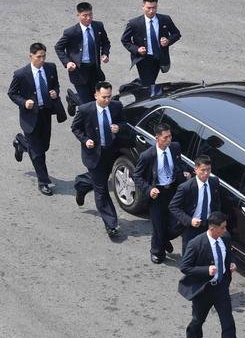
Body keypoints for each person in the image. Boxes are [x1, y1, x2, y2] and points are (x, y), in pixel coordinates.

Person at [8, 42, 66, 196]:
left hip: (45, 113)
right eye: (39, 57)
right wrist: (24, 102)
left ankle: (20, 142)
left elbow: (56, 85)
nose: (42, 59)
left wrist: (55, 92)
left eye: (44, 56)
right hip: (29, 116)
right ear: (31, 56)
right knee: (38, 153)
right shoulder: (21, 74)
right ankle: (43, 182)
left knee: (43, 147)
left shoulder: (50, 68)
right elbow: (12, 93)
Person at [178, 212, 238, 338]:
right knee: (198, 320)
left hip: (221, 288)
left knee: (228, 325)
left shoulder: (226, 238)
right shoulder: (196, 244)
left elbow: (230, 254)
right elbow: (185, 267)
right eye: (222, 228)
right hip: (204, 290)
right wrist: (206, 270)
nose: (225, 230)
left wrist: (232, 263)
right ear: (213, 228)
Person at [71, 81, 124, 238]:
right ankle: (111, 224)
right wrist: (85, 140)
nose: (107, 100)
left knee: (99, 180)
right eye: (104, 97)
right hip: (93, 154)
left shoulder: (116, 107)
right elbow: (75, 128)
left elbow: (123, 122)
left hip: (110, 152)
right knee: (101, 190)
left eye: (109, 97)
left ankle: (81, 185)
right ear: (96, 95)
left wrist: (119, 127)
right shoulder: (85, 110)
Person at [134, 123, 189, 264]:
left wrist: (184, 172)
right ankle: (157, 251)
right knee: (158, 225)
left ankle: (164, 239)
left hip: (173, 190)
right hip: (157, 194)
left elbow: (179, 164)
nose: (169, 140)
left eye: (170, 136)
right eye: (165, 137)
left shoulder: (175, 148)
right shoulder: (147, 156)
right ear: (157, 138)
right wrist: (149, 189)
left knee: (178, 222)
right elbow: (137, 176)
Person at [55, 2, 111, 104]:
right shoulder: (71, 32)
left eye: (90, 14)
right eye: (85, 15)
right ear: (78, 15)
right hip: (79, 71)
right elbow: (58, 47)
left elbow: (106, 42)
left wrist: (105, 54)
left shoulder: (98, 26)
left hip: (94, 69)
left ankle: (73, 99)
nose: (88, 18)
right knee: (87, 104)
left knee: (96, 99)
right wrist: (67, 62)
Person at [121, 0, 181, 86]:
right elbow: (125, 40)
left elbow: (176, 34)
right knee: (149, 84)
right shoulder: (134, 23)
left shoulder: (165, 19)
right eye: (148, 8)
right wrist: (137, 49)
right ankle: (145, 95)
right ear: (143, 7)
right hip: (144, 58)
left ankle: (137, 86)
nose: (151, 11)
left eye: (154, 8)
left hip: (159, 57)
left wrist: (168, 41)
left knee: (150, 81)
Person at [170, 155, 222, 255]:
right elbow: (173, 207)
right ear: (196, 169)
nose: (206, 173)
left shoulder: (214, 182)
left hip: (208, 225)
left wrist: (216, 220)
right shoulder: (186, 187)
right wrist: (190, 221)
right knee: (189, 256)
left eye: (209, 169)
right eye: (203, 170)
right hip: (191, 227)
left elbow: (216, 202)